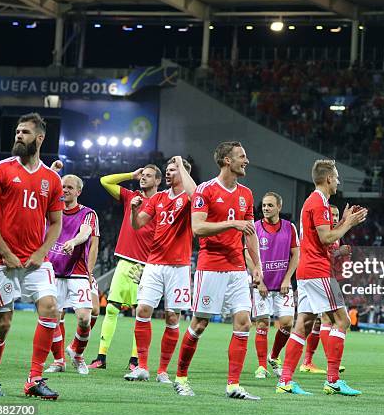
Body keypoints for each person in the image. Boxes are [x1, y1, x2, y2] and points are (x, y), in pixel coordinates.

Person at [172, 141, 266, 400]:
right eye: (241, 156)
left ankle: (233, 385)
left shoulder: (246, 193)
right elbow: (198, 228)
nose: (246, 160)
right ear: (227, 160)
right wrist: (231, 224)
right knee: (200, 324)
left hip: (237, 267)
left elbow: (249, 233)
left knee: (244, 322)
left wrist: (256, 266)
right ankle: (180, 378)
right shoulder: (206, 191)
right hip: (211, 265)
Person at [0, 112, 64, 399]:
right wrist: (5, 252)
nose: (18, 136)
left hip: (36, 262)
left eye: (25, 132)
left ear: (39, 138)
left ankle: (34, 378)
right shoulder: (0, 169)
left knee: (51, 307)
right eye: (17, 131)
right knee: (2, 325)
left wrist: (42, 251)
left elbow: (56, 223)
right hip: (2, 262)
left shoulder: (51, 178)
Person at [276, 159, 368, 396]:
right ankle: (333, 380)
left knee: (303, 324)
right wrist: (348, 224)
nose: (338, 181)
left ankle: (285, 380)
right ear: (328, 179)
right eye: (336, 177)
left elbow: (322, 238)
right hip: (319, 271)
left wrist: (341, 222)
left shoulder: (315, 202)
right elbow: (327, 239)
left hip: (307, 271)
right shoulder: (319, 202)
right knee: (342, 321)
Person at [124, 156, 195, 383]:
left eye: (173, 170)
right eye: (167, 169)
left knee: (172, 317)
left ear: (183, 173)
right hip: (154, 263)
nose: (168, 173)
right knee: (142, 310)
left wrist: (183, 168)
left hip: (179, 266)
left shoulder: (190, 197)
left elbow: (195, 194)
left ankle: (163, 370)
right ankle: (142, 367)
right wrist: (135, 211)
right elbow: (138, 224)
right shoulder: (159, 197)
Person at [88, 165, 160, 370]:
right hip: (125, 260)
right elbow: (105, 181)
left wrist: (153, 263)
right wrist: (131, 175)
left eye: (148, 176)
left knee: (142, 313)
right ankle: (101, 358)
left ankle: (135, 361)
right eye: (142, 175)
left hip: (147, 265)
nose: (143, 178)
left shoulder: (161, 202)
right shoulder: (131, 196)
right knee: (111, 309)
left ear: (158, 181)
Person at [42, 174, 98, 376]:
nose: (65, 190)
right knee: (53, 318)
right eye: (62, 187)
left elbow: (85, 233)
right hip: (52, 271)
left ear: (78, 192)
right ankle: (58, 361)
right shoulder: (51, 211)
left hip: (77, 272)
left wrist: (73, 242)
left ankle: (77, 354)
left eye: (69, 187)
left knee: (85, 317)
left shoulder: (88, 213)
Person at [245, 191, 299, 379]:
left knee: (287, 323)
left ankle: (274, 357)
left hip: (282, 285)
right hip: (262, 286)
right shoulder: (254, 227)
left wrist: (287, 279)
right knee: (262, 322)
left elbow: (296, 255)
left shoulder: (289, 228)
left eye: (270, 205)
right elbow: (247, 254)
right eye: (264, 205)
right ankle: (261, 366)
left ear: (279, 207)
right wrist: (257, 279)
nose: (266, 208)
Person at [301, 204, 350, 374]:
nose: (334, 218)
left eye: (337, 215)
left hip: (322, 276)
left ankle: (306, 363)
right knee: (330, 320)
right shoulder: (325, 233)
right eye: (332, 215)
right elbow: (323, 252)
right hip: (319, 277)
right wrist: (339, 252)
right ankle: (330, 365)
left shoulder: (333, 233)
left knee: (311, 322)